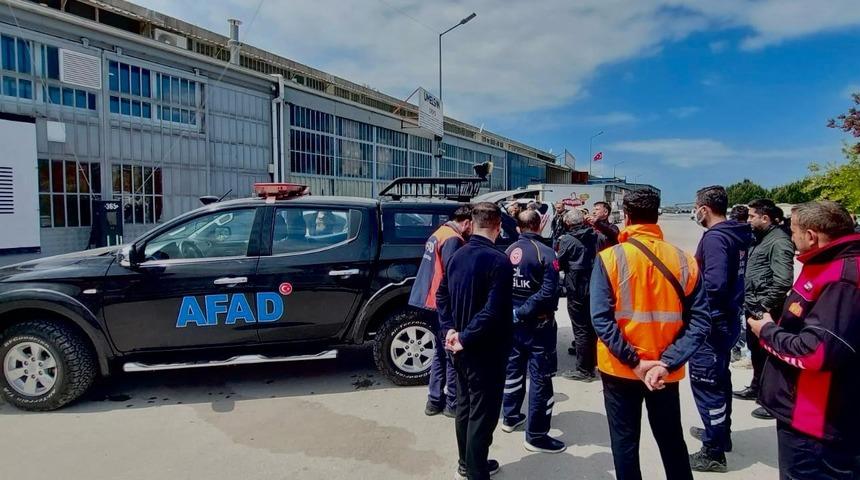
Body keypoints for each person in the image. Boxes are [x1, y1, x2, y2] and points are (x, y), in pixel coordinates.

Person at [591, 189, 710, 480]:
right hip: (664, 372)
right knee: (671, 441)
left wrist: (634, 362)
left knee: (624, 443)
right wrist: (666, 362)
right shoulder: (684, 260)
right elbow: (700, 322)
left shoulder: (610, 258)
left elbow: (601, 319)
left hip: (620, 369)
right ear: (656, 215)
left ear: (627, 217)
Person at [747, 201, 860, 479]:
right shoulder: (828, 263)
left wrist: (767, 331)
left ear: (811, 236)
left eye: (793, 229)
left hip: (816, 423)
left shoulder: (841, 278)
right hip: (811, 415)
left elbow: (816, 352)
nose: (789, 235)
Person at [437, 202, 513, 480]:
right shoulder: (499, 260)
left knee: (466, 407)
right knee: (483, 414)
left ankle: (467, 462)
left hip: (460, 346)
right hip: (485, 349)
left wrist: (449, 330)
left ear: (473, 222)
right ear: (498, 226)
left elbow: (441, 295)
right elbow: (493, 310)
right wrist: (462, 336)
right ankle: (476, 471)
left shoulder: (458, 254)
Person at [687, 186, 753, 473]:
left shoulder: (715, 238)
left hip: (712, 322)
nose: (695, 211)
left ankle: (713, 452)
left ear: (705, 208)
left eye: (696, 206)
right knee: (720, 379)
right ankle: (719, 433)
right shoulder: (736, 234)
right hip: (727, 318)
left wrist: (690, 302)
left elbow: (713, 284)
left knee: (707, 383)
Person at [500, 210, 565, 453]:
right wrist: (522, 312)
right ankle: (536, 435)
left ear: (518, 227)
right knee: (540, 378)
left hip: (513, 324)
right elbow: (548, 293)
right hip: (538, 326)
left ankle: (510, 416)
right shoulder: (546, 253)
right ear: (539, 225)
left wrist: (513, 313)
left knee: (513, 370)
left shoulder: (508, 251)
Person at [733, 199, 795, 421]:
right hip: (753, 305)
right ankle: (757, 388)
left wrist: (765, 305)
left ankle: (773, 401)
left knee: (771, 356)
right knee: (757, 351)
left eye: (751, 216)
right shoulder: (761, 239)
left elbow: (783, 280)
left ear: (765, 218)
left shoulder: (779, 242)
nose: (748, 220)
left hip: (767, 309)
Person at [408, 205, 473, 418]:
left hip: (427, 300)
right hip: (441, 304)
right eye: (471, 226)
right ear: (466, 222)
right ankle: (453, 403)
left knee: (440, 352)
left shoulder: (439, 233)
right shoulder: (453, 239)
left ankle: (434, 400)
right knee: (452, 352)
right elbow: (452, 277)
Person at [556, 209, 599, 380]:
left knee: (580, 328)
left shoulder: (567, 240)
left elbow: (559, 262)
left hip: (576, 286)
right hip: (593, 283)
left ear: (568, 223)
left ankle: (584, 370)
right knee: (591, 326)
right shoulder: (594, 236)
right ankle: (591, 361)